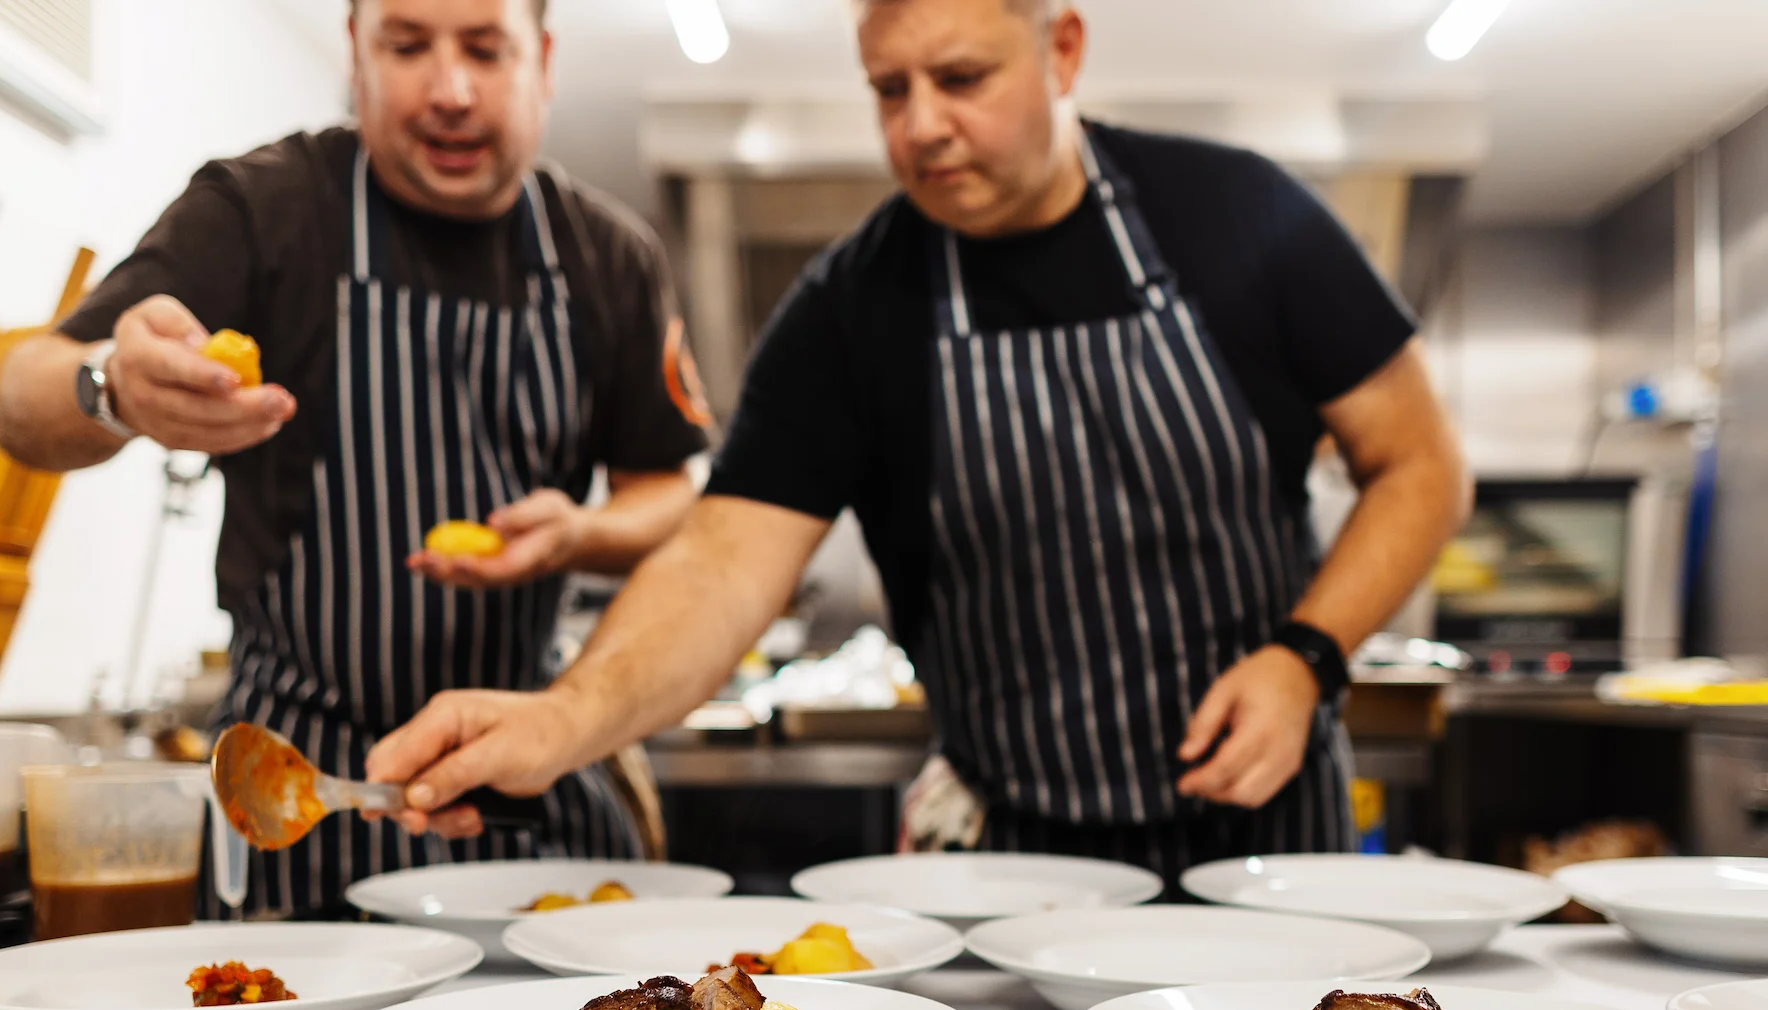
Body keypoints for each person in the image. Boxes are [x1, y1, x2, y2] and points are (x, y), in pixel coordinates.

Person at [364, 0, 1471, 884]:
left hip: (1271, 843)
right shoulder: (852, 308)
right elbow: (720, 560)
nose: (921, 124)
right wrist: (565, 718)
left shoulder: (1239, 215)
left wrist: (1306, 656)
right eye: (889, 88)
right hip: (1019, 869)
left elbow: (1420, 465)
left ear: (1063, 48)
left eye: (962, 78)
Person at [0, 0, 712, 916]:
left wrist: (579, 532)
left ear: (545, 62)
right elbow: (20, 400)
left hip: (524, 774)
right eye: (407, 46)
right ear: (357, 56)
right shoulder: (262, 211)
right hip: (295, 791)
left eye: (485, 51)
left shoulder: (607, 257)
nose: (449, 90)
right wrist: (111, 387)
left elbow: (671, 491)